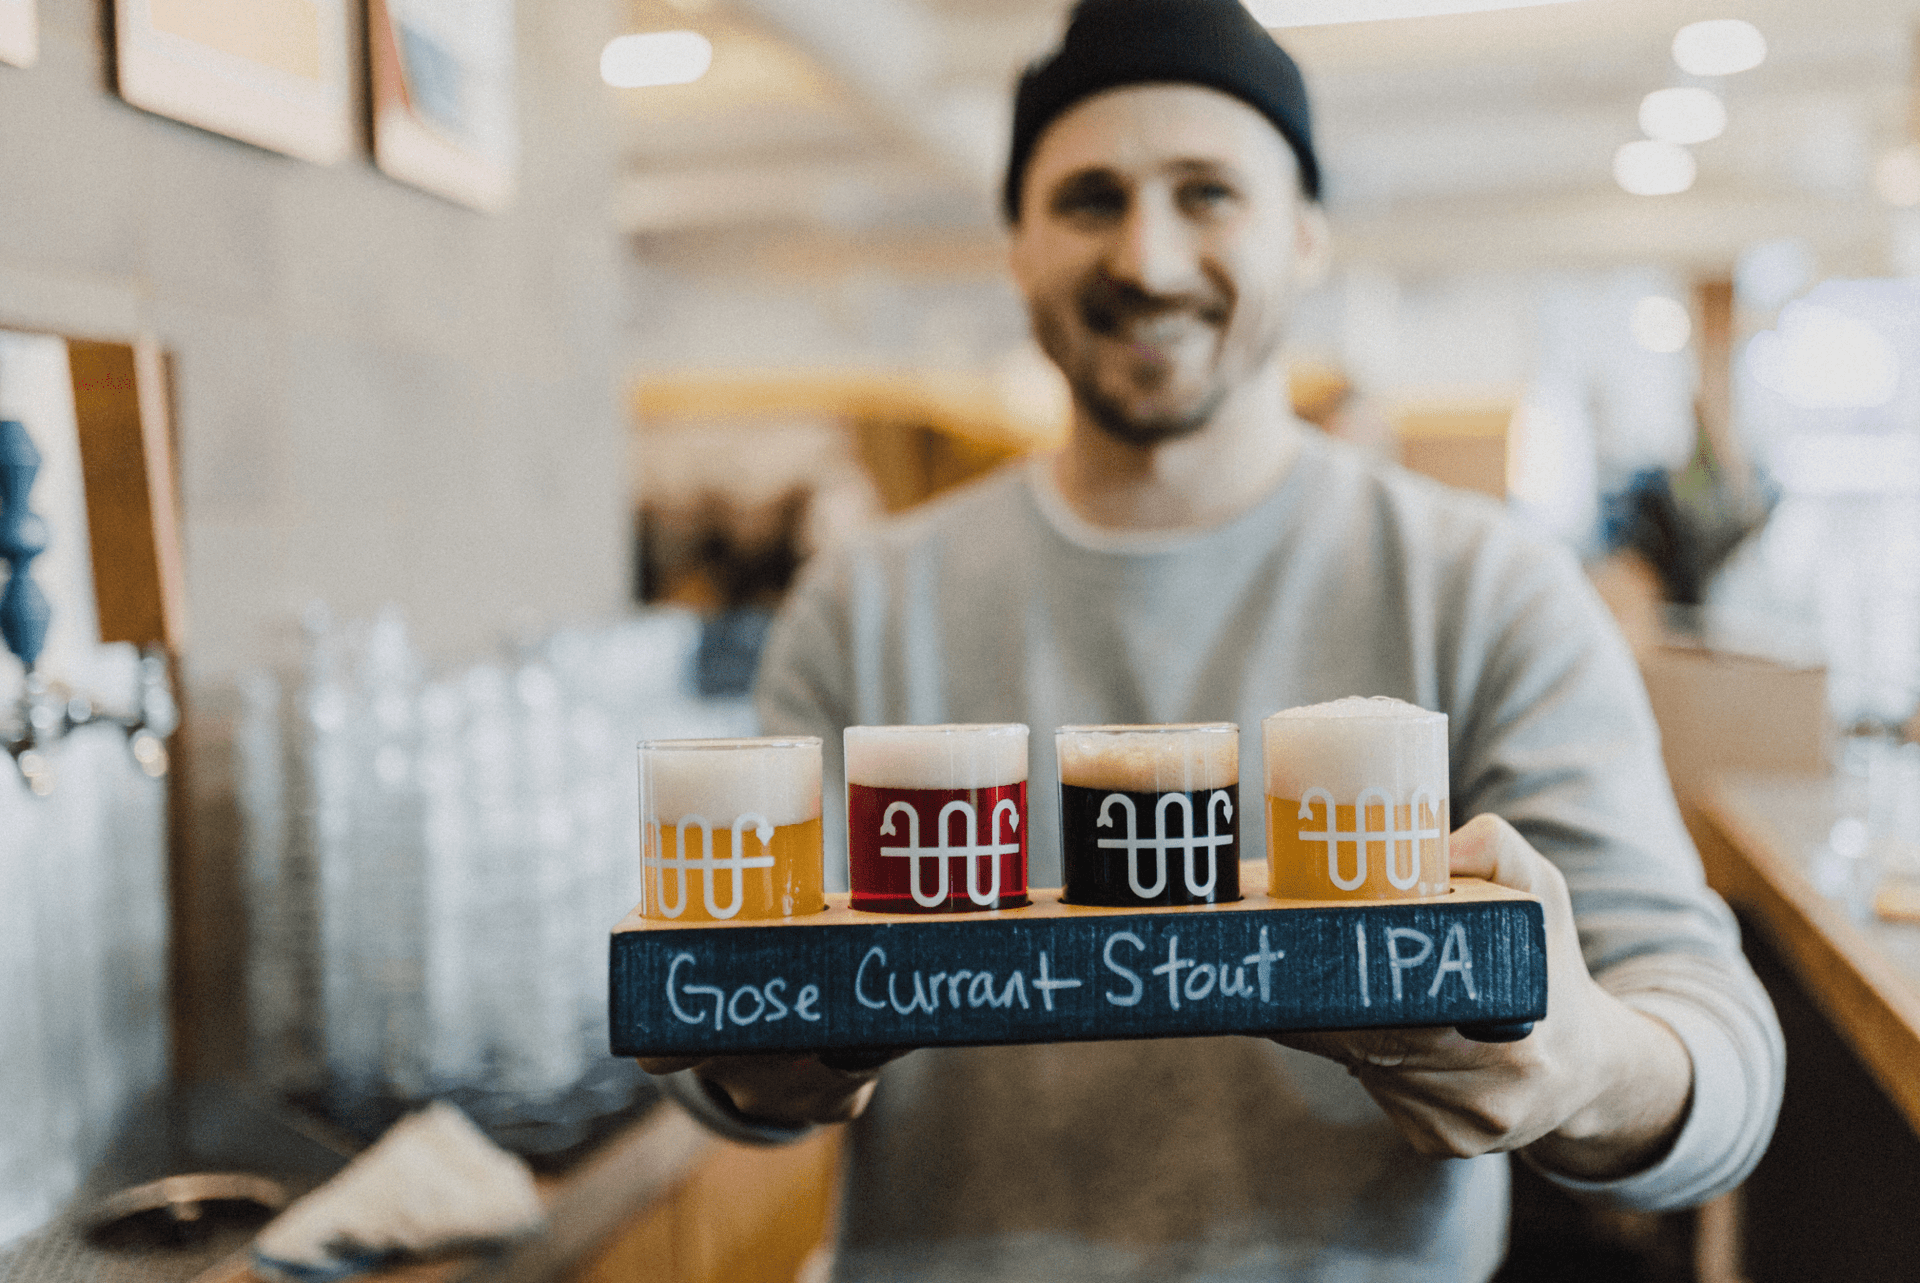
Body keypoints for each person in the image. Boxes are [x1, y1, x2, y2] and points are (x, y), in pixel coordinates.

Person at [642, 2, 1784, 1278]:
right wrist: (752, 1066)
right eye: (1087, 198)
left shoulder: (1483, 585)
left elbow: (1717, 1050)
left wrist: (1588, 1066)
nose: (1148, 254)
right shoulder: (863, 601)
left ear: (1305, 237)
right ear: (1014, 245)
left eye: (1208, 193)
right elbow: (712, 1050)